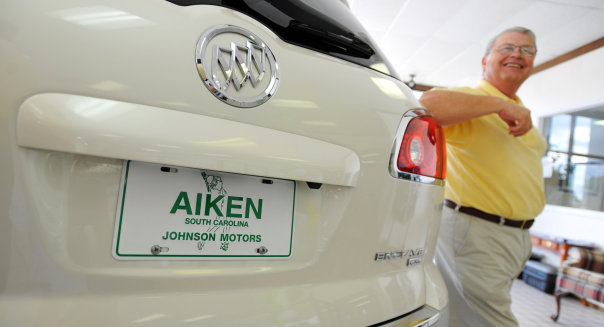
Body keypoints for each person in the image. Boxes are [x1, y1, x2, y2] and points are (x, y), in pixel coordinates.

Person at [419, 26, 546, 327]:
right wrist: (500, 104)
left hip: (515, 236)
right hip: (478, 230)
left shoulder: (520, 110)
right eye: (508, 47)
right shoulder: (476, 100)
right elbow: (425, 106)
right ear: (485, 60)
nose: (518, 54)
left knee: (465, 318)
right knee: (493, 320)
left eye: (527, 50)